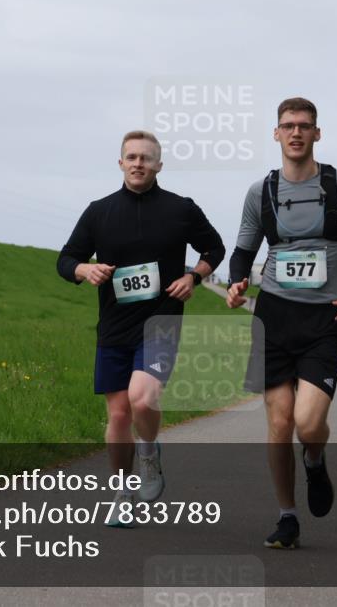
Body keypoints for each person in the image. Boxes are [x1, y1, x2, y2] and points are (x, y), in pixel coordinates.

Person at [225, 97, 337, 549]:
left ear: (317, 133)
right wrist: (238, 281)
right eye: (287, 125)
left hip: (325, 318)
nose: (295, 132)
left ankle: (314, 460)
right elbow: (242, 250)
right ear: (275, 134)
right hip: (274, 316)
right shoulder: (261, 191)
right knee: (279, 426)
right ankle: (287, 517)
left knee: (308, 424)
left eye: (304, 125)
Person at [57, 130, 225, 527]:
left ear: (158, 165)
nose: (138, 163)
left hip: (161, 322)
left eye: (146, 158)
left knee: (142, 399)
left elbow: (214, 248)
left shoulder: (181, 209)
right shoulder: (99, 211)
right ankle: (122, 494)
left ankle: (148, 451)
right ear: (120, 163)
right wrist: (85, 270)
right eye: (131, 157)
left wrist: (194, 277)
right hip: (114, 326)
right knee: (118, 415)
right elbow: (66, 259)